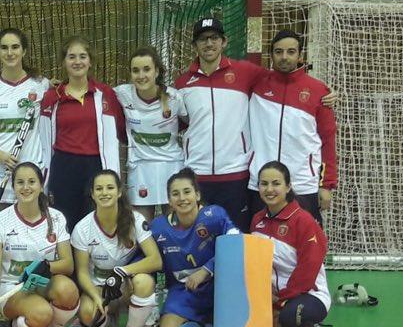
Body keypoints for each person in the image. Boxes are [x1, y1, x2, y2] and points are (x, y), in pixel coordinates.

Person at [125, 168, 241, 327]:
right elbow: (142, 257)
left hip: (220, 288)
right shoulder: (159, 227)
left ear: (197, 194)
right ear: (169, 200)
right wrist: (130, 276)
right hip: (184, 291)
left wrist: (206, 270)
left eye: (187, 192)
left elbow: (237, 243)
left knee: (232, 321)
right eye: (175, 194)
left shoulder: (214, 215)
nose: (182, 198)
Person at [173, 19, 267, 231]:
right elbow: (173, 122)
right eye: (202, 39)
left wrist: (321, 92)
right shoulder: (182, 83)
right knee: (199, 238)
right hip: (196, 174)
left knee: (235, 237)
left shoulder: (246, 72)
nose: (209, 44)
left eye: (214, 38)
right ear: (194, 45)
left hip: (236, 173)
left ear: (224, 42)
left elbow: (279, 81)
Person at [0, 162, 78, 327]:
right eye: (20, 182)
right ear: (13, 187)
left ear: (41, 185)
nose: (26, 187)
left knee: (68, 292)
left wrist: (46, 266)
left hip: (44, 284)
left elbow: (68, 264)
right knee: (42, 314)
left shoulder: (56, 218)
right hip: (12, 288)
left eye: (32, 182)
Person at [248, 30, 338, 226]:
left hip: (303, 184)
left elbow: (328, 140)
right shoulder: (256, 84)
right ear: (271, 55)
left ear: (300, 56)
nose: (284, 57)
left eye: (290, 52)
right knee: (262, 248)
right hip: (263, 185)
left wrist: (326, 185)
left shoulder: (318, 91)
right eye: (278, 52)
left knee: (305, 246)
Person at [70, 170, 161, 327]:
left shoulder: (135, 220)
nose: (105, 193)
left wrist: (122, 271)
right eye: (99, 189)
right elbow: (82, 273)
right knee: (88, 312)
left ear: (119, 192)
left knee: (144, 282)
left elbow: (155, 260)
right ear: (93, 194)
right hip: (99, 288)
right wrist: (96, 298)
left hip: (125, 285)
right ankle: (108, 321)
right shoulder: (82, 228)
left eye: (110, 187)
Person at [39, 36, 125, 232]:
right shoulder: (52, 97)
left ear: (90, 61)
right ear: (63, 62)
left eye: (82, 56)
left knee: (95, 223)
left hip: (96, 167)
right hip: (63, 167)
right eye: (71, 57)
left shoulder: (106, 94)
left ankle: (92, 263)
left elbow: (120, 131)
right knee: (64, 222)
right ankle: (68, 263)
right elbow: (43, 141)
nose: (77, 61)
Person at [250, 161, 331, 327]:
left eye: (276, 183)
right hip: (273, 298)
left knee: (291, 316)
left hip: (308, 295)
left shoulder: (303, 221)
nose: (269, 189)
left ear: (288, 187)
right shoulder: (256, 221)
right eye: (264, 183)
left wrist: (281, 302)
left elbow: (308, 269)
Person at [0, 28, 50, 218]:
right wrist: (0, 155)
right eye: (4, 48)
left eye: (15, 47)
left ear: (24, 51)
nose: (10, 53)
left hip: (31, 174)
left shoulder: (42, 85)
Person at [114, 46, 183, 221]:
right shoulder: (122, 94)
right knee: (141, 227)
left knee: (174, 224)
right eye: (135, 70)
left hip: (172, 166)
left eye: (147, 69)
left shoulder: (175, 98)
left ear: (157, 71)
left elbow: (190, 124)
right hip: (140, 167)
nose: (141, 75)